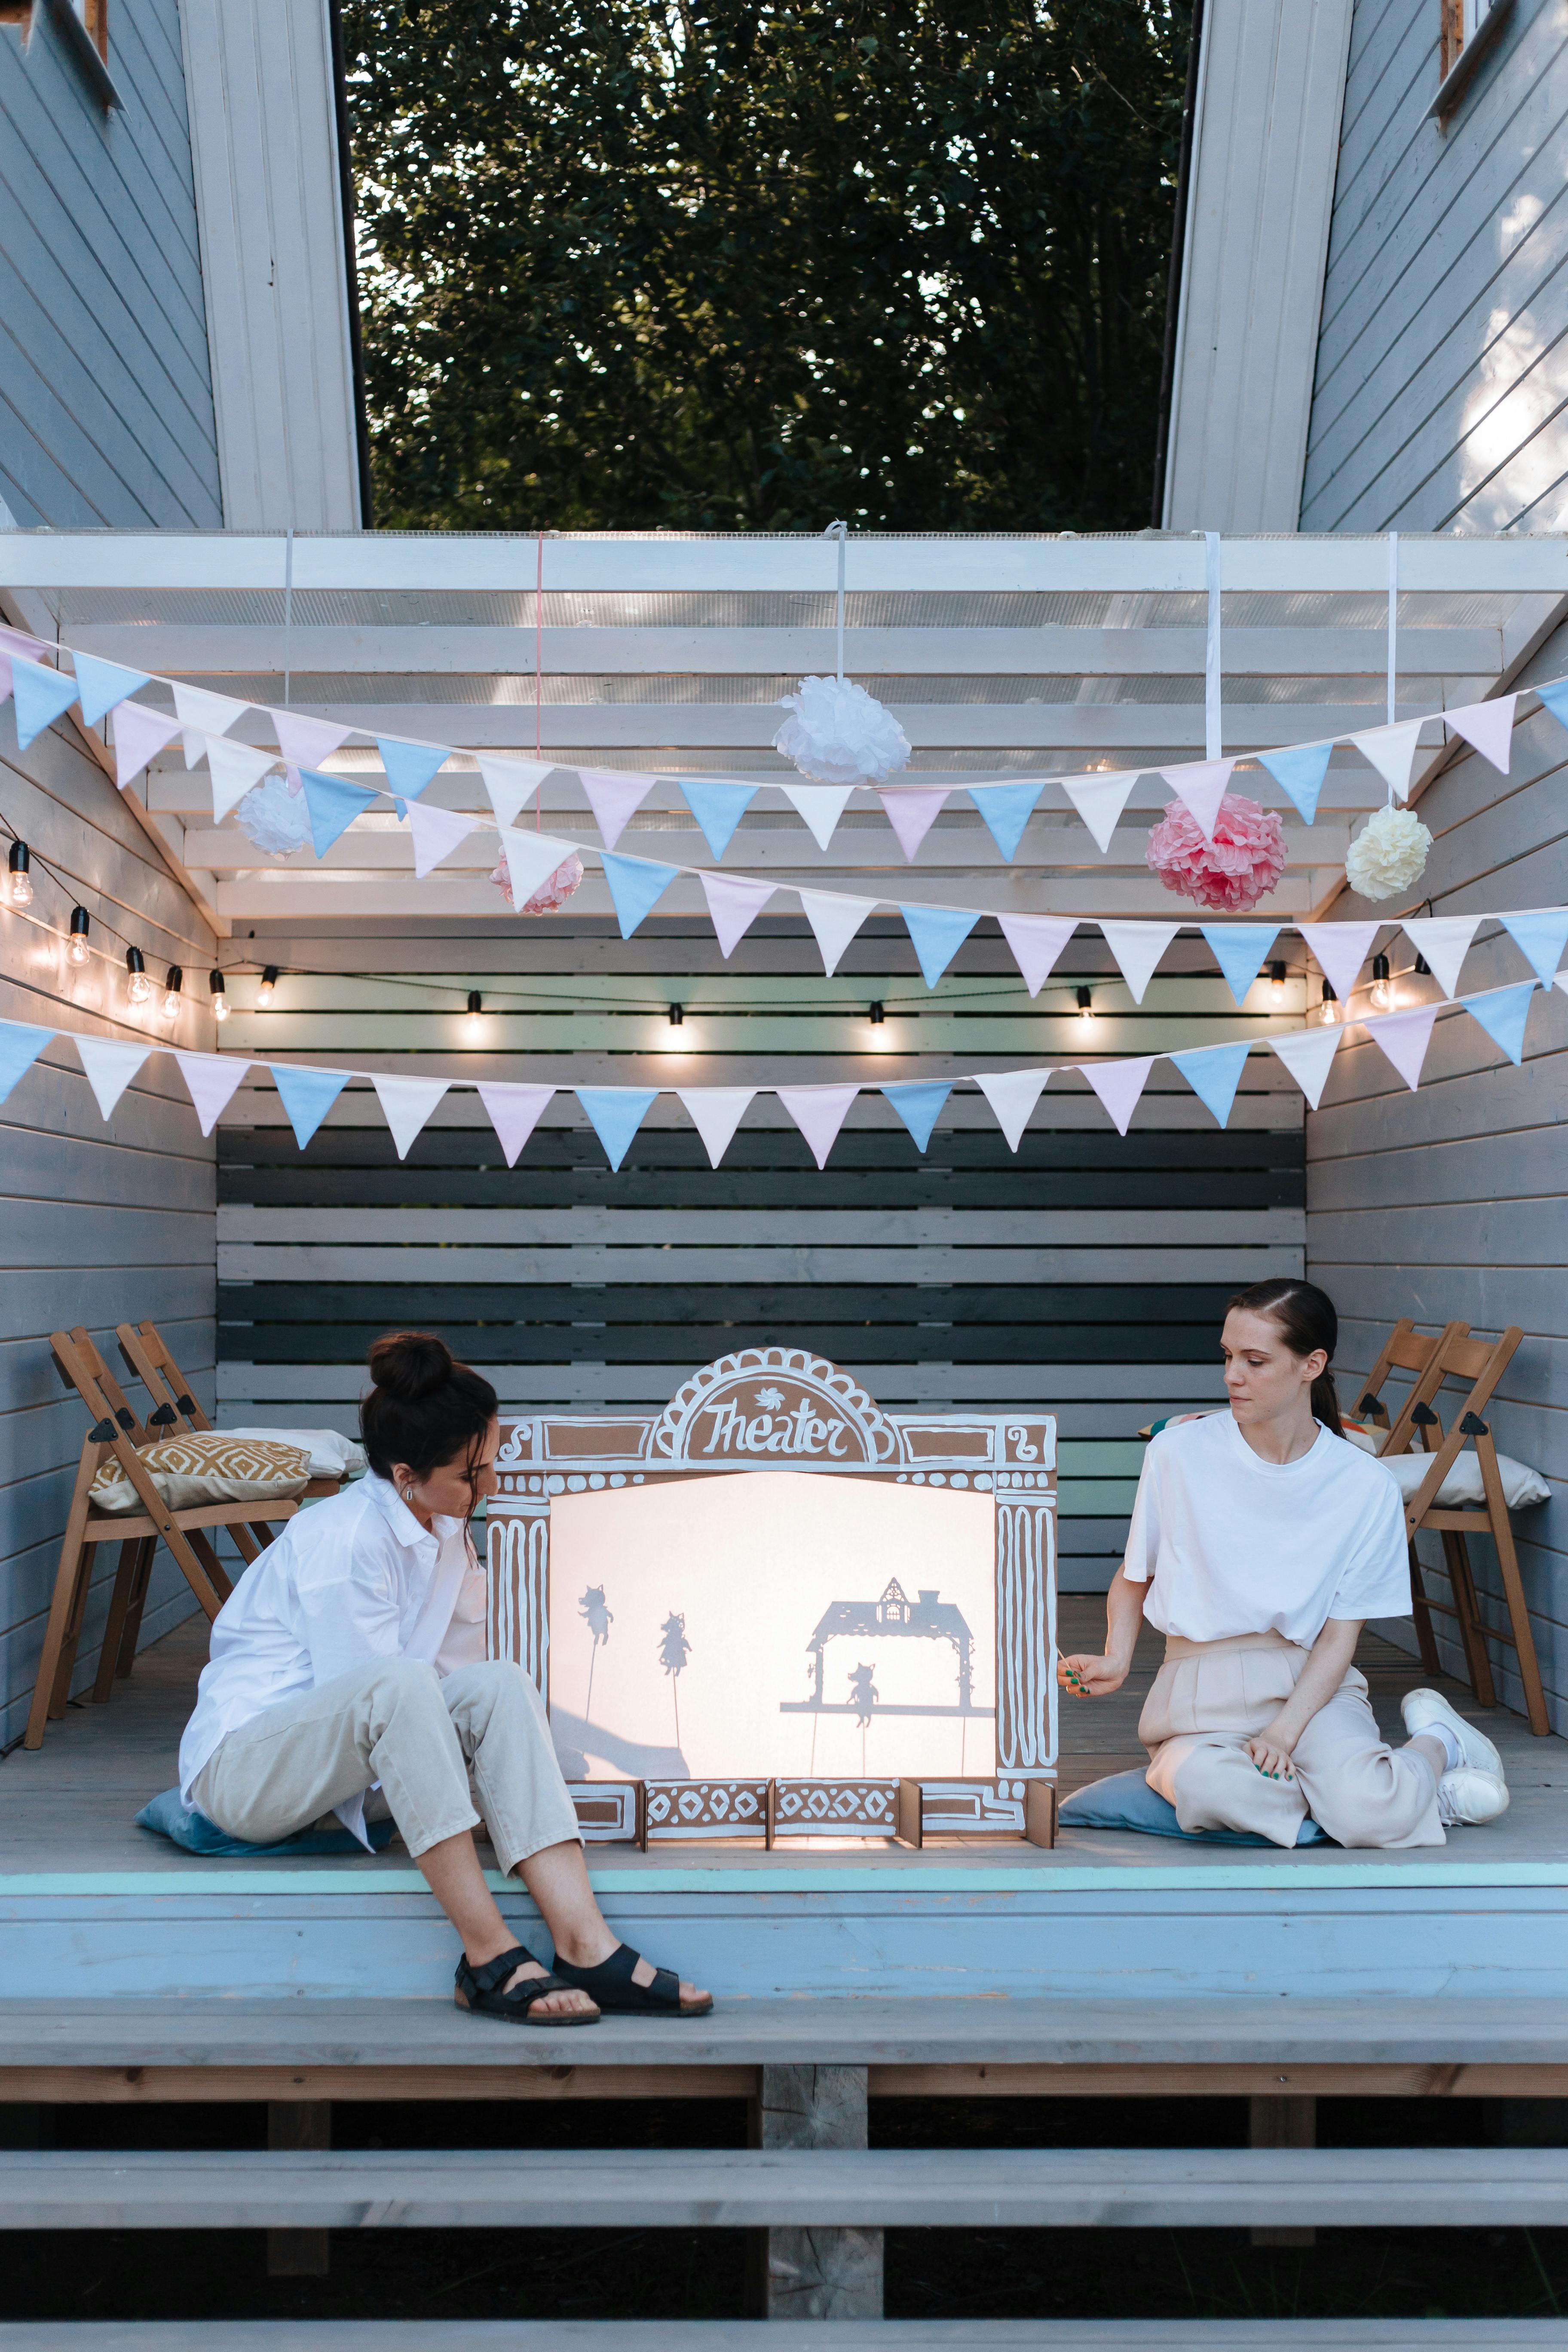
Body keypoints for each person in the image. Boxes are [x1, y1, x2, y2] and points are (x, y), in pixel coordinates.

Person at [178, 1331, 712, 2024]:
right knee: (398, 1685)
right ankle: (488, 1953)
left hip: (349, 1767)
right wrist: (482, 1790)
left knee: (502, 1683)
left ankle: (586, 1945)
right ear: (405, 1475)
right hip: (249, 1777)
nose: (487, 1488)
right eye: (469, 1476)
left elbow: (468, 1685)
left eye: (488, 1465)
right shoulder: (346, 1544)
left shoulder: (445, 1534)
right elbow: (380, 1713)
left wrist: (603, 1750)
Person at [1057, 1279, 1509, 1848]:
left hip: (1311, 1687)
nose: (1232, 1376)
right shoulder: (1177, 1454)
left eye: (1255, 1361)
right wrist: (1116, 1658)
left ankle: (1440, 1746)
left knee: (1314, 1799)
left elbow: (1341, 1639)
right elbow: (1134, 1577)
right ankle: (1388, 1797)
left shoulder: (1364, 1486)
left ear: (1311, 1364)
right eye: (1227, 1357)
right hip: (1198, 1689)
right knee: (1219, 1786)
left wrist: (1284, 1732)